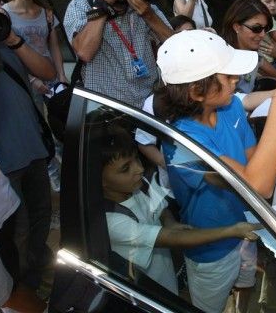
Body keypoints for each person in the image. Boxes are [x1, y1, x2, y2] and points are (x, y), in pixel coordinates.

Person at [154, 30, 276, 312]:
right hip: (212, 250)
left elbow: (253, 142)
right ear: (196, 91)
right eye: (228, 76)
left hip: (245, 229)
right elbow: (258, 184)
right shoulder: (183, 143)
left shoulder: (227, 107)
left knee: (244, 286)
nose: (236, 80)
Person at [92, 123, 261, 295]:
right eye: (125, 168)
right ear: (99, 179)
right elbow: (173, 238)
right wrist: (233, 230)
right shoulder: (111, 221)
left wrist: (169, 221)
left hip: (165, 276)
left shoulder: (138, 185)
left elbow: (160, 208)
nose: (140, 169)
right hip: (145, 290)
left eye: (136, 159)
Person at [0, 0, 57, 297]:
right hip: (2, 164)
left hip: (32, 150)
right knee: (19, 232)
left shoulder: (7, 42)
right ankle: (25, 289)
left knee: (41, 219)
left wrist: (12, 39)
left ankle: (40, 274)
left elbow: (48, 71)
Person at [64, 0, 172, 108]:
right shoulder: (81, 6)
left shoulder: (140, 4)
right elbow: (84, 52)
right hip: (108, 111)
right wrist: (102, 6)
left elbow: (176, 45)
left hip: (149, 106)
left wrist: (149, 15)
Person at [2, 0, 68, 110]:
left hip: (51, 76)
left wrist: (61, 75)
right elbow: (7, 53)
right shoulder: (3, 15)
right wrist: (32, 80)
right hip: (25, 79)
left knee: (62, 117)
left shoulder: (47, 13)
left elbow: (54, 46)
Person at [220, 0, 276, 91]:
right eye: (256, 28)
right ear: (237, 27)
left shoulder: (254, 54)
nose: (263, 35)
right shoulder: (222, 61)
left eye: (266, 29)